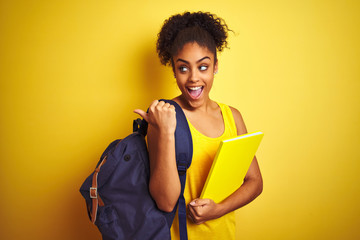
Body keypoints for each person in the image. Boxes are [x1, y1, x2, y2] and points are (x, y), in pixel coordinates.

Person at [134, 11, 263, 240]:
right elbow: (165, 201)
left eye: (202, 67)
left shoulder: (232, 116)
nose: (193, 77)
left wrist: (219, 210)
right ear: (174, 70)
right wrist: (165, 131)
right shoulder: (163, 117)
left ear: (215, 66)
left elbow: (254, 182)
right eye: (183, 68)